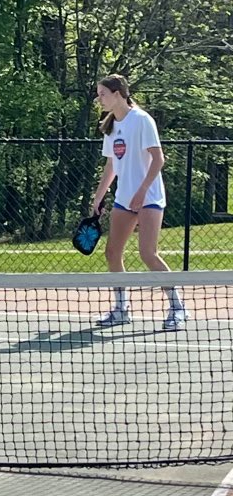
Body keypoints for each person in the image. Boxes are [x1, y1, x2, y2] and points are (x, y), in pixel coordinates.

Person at [89, 73, 187, 331]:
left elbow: (158, 159)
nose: (99, 99)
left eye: (102, 94)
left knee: (147, 253)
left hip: (150, 197)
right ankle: (121, 309)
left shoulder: (142, 120)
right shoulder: (111, 125)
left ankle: (177, 307)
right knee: (112, 253)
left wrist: (142, 191)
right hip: (123, 199)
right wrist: (98, 198)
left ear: (118, 93)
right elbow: (111, 165)